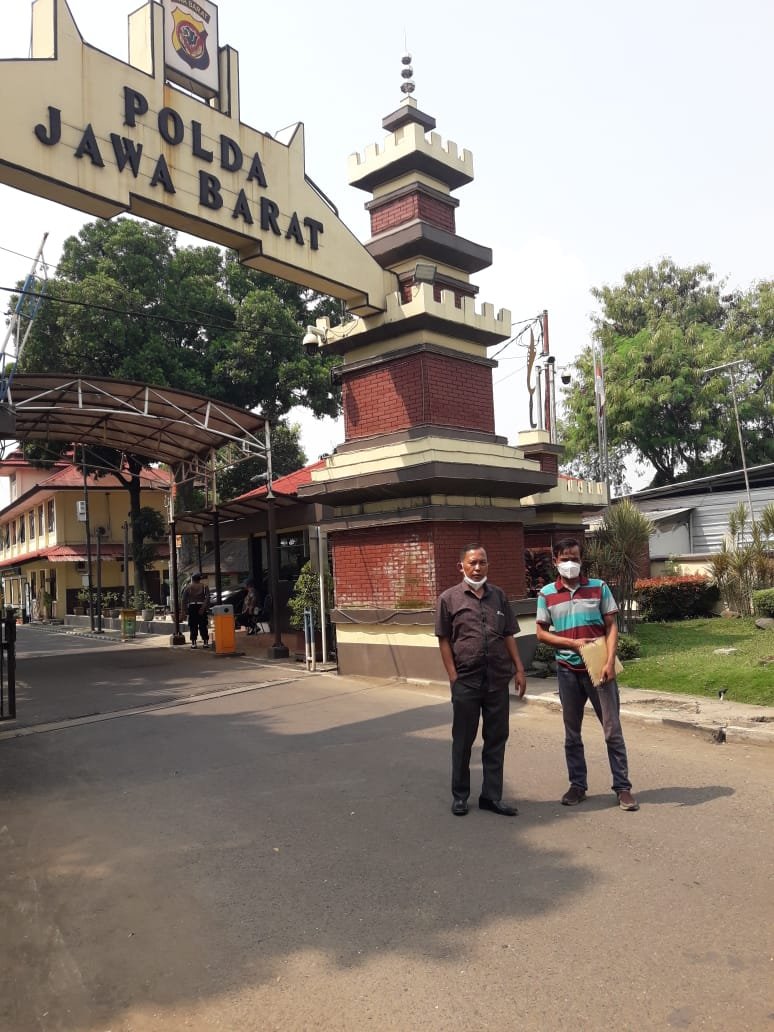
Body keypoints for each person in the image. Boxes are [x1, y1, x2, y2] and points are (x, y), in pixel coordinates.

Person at [535, 537, 639, 811]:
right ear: (555, 561)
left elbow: (611, 626)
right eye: (565, 559)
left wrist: (609, 662)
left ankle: (623, 788)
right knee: (572, 733)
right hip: (567, 670)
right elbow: (541, 633)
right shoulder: (546, 594)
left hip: (598, 669)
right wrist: (571, 644)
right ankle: (577, 786)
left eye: (575, 558)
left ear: (582, 561)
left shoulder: (599, 587)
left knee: (612, 731)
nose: (570, 563)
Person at [435, 543, 527, 817]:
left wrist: (519, 669)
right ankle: (460, 796)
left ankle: (491, 796)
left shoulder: (498, 596)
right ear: (461, 566)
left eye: (482, 562)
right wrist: (453, 676)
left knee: (496, 739)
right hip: (466, 680)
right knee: (463, 741)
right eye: (472, 562)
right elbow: (444, 640)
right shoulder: (448, 599)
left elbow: (508, 634)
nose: (477, 568)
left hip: (497, 680)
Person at [181, 572, 210, 649]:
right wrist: (203, 608)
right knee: (203, 625)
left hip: (192, 607)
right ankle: (205, 642)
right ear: (199, 579)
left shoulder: (188, 587)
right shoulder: (204, 586)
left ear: (192, 579)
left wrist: (184, 610)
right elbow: (207, 598)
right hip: (201, 606)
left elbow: (183, 599)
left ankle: (194, 643)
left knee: (193, 625)